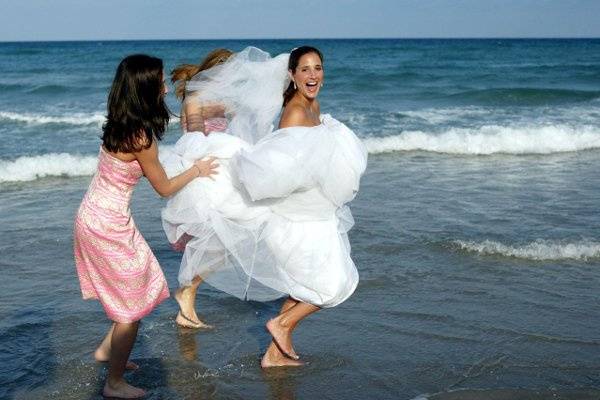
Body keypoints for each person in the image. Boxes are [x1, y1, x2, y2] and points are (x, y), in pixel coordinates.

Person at [73, 54, 218, 399]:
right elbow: (164, 188)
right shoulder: (141, 138)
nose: (166, 87)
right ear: (145, 89)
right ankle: (114, 383)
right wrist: (196, 170)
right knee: (132, 308)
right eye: (160, 82)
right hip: (107, 226)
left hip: (92, 217)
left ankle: (107, 351)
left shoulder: (118, 124)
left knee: (139, 283)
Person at [231, 46, 368, 368]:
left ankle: (275, 355)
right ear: (291, 75)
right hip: (297, 220)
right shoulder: (293, 112)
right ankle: (279, 325)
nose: (312, 76)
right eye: (304, 69)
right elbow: (278, 170)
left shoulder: (313, 105)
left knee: (300, 288)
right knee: (334, 285)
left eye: (317, 68)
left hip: (315, 214)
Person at [161, 47, 289, 329]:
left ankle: (188, 297)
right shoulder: (194, 99)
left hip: (222, 170)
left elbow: (255, 111)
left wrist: (279, 78)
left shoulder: (224, 99)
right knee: (222, 236)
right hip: (207, 171)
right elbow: (193, 137)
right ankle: (187, 292)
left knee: (234, 236)